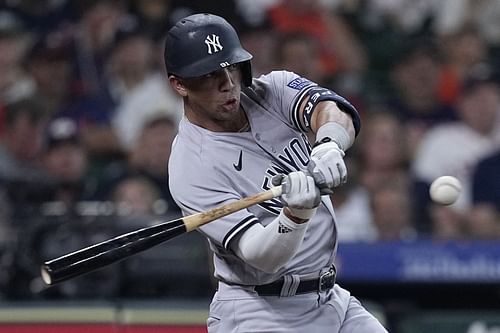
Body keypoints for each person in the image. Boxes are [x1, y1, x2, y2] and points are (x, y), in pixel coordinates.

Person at [165, 13, 387, 332]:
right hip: (260, 311)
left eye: (231, 68)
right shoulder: (190, 166)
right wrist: (295, 214)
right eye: (209, 75)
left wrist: (329, 144)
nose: (227, 85)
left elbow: (333, 109)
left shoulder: (273, 89)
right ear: (180, 84)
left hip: (330, 297)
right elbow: (261, 256)